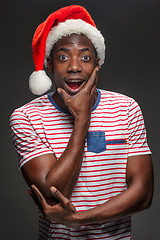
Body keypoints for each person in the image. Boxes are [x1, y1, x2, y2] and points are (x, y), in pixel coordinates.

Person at [10, 5, 153, 240]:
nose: (75, 66)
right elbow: (55, 194)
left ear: (97, 64)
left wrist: (78, 219)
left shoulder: (126, 108)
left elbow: (143, 193)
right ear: (49, 64)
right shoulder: (26, 117)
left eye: (85, 57)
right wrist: (82, 120)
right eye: (63, 57)